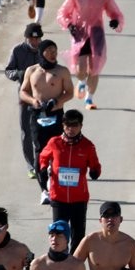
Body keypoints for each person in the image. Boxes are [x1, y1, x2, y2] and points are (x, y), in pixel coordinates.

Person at [56, 0, 124, 109]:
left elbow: (114, 12)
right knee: (81, 70)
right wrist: (69, 24)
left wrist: (114, 21)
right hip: (79, 33)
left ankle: (89, 99)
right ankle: (81, 82)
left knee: (95, 68)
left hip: (96, 33)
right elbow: (63, 13)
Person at [20, 38, 75, 205]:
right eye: (49, 51)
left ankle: (58, 185)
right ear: (41, 53)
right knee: (40, 151)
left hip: (56, 115)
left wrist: (57, 102)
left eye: (55, 51)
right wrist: (32, 101)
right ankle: (43, 189)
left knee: (58, 150)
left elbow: (70, 92)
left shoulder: (62, 71)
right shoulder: (31, 71)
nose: (53, 54)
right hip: (37, 116)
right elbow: (23, 91)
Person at [39, 108, 102, 252]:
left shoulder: (87, 146)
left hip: (79, 199)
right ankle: (59, 264)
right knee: (59, 234)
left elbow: (95, 165)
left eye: (75, 125)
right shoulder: (54, 143)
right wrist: (43, 169)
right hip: (59, 197)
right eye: (68, 125)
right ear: (63, 125)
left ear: (81, 126)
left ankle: (74, 266)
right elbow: (43, 156)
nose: (71, 129)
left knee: (78, 236)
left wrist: (94, 171)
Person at [4, 22, 44, 180]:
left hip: (42, 95)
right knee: (26, 132)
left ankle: (43, 163)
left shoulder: (45, 49)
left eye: (38, 39)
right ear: (26, 38)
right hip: (25, 96)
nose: (35, 42)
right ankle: (31, 165)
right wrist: (19, 75)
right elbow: (8, 70)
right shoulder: (17, 51)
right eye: (32, 40)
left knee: (42, 131)